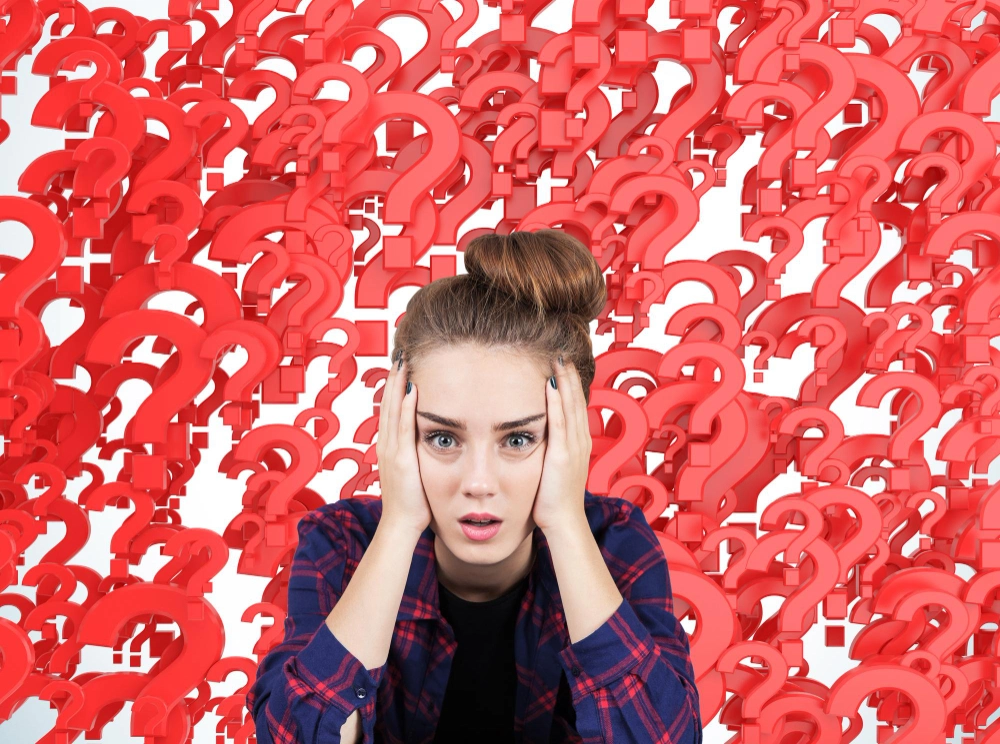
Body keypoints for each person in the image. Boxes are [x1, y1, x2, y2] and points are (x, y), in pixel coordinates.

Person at [247, 229, 702, 743]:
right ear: (399, 430)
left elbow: (668, 738)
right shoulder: (342, 543)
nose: (479, 483)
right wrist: (398, 528)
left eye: (519, 439)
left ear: (568, 436)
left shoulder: (611, 541)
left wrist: (568, 524)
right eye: (442, 438)